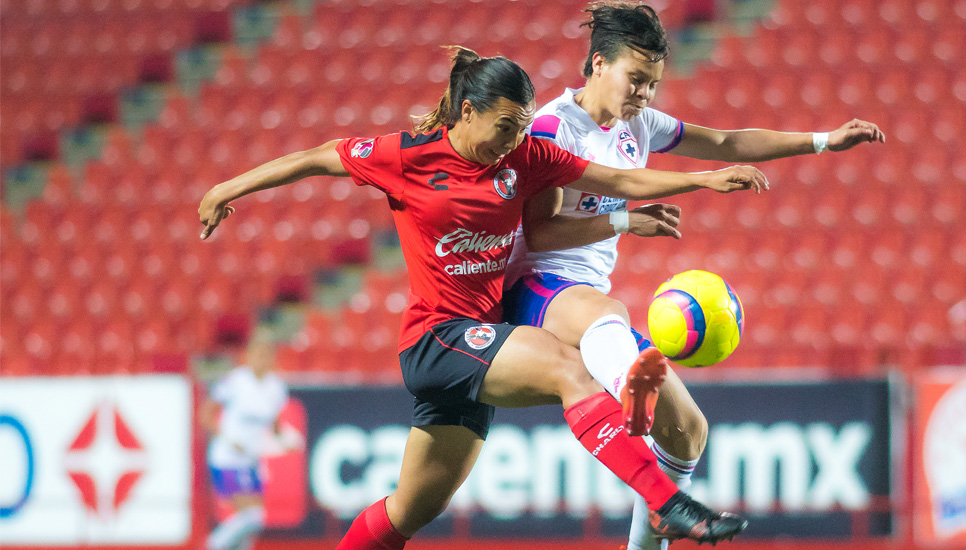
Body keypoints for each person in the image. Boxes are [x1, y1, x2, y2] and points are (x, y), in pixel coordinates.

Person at [198, 47, 770, 549]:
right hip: (436, 339)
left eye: (522, 127)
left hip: (477, 348)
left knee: (407, 513)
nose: (514, 140)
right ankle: (666, 504)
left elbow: (615, 180)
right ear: (466, 112)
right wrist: (228, 188)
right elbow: (318, 156)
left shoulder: (523, 157)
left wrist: (700, 180)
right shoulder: (407, 158)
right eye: (504, 126)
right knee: (573, 371)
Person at [501, 3, 887, 550]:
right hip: (533, 290)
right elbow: (538, 234)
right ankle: (625, 400)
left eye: (653, 84)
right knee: (607, 313)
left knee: (688, 431)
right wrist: (623, 220)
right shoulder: (554, 129)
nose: (644, 95)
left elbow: (727, 143)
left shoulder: (637, 126)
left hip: (583, 302)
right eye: (635, 79)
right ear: (596, 64)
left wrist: (823, 140)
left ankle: (646, 533)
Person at [199, 334, 301, 550]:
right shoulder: (236, 381)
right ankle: (214, 544)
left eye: (267, 354)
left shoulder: (276, 388)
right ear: (249, 356)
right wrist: (227, 439)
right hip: (227, 457)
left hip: (251, 460)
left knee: (250, 527)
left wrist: (289, 441)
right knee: (254, 517)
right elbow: (206, 414)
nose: (262, 359)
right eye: (258, 354)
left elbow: (276, 430)